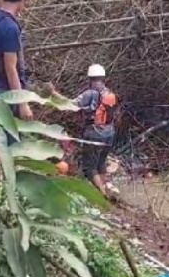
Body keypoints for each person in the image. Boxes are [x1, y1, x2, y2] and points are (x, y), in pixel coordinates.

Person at [46, 64, 120, 197]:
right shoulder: (110, 93)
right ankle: (105, 189)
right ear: (103, 78)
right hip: (110, 133)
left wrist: (53, 93)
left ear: (90, 78)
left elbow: (68, 104)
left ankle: (103, 195)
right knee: (101, 163)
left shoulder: (89, 94)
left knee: (89, 167)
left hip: (94, 134)